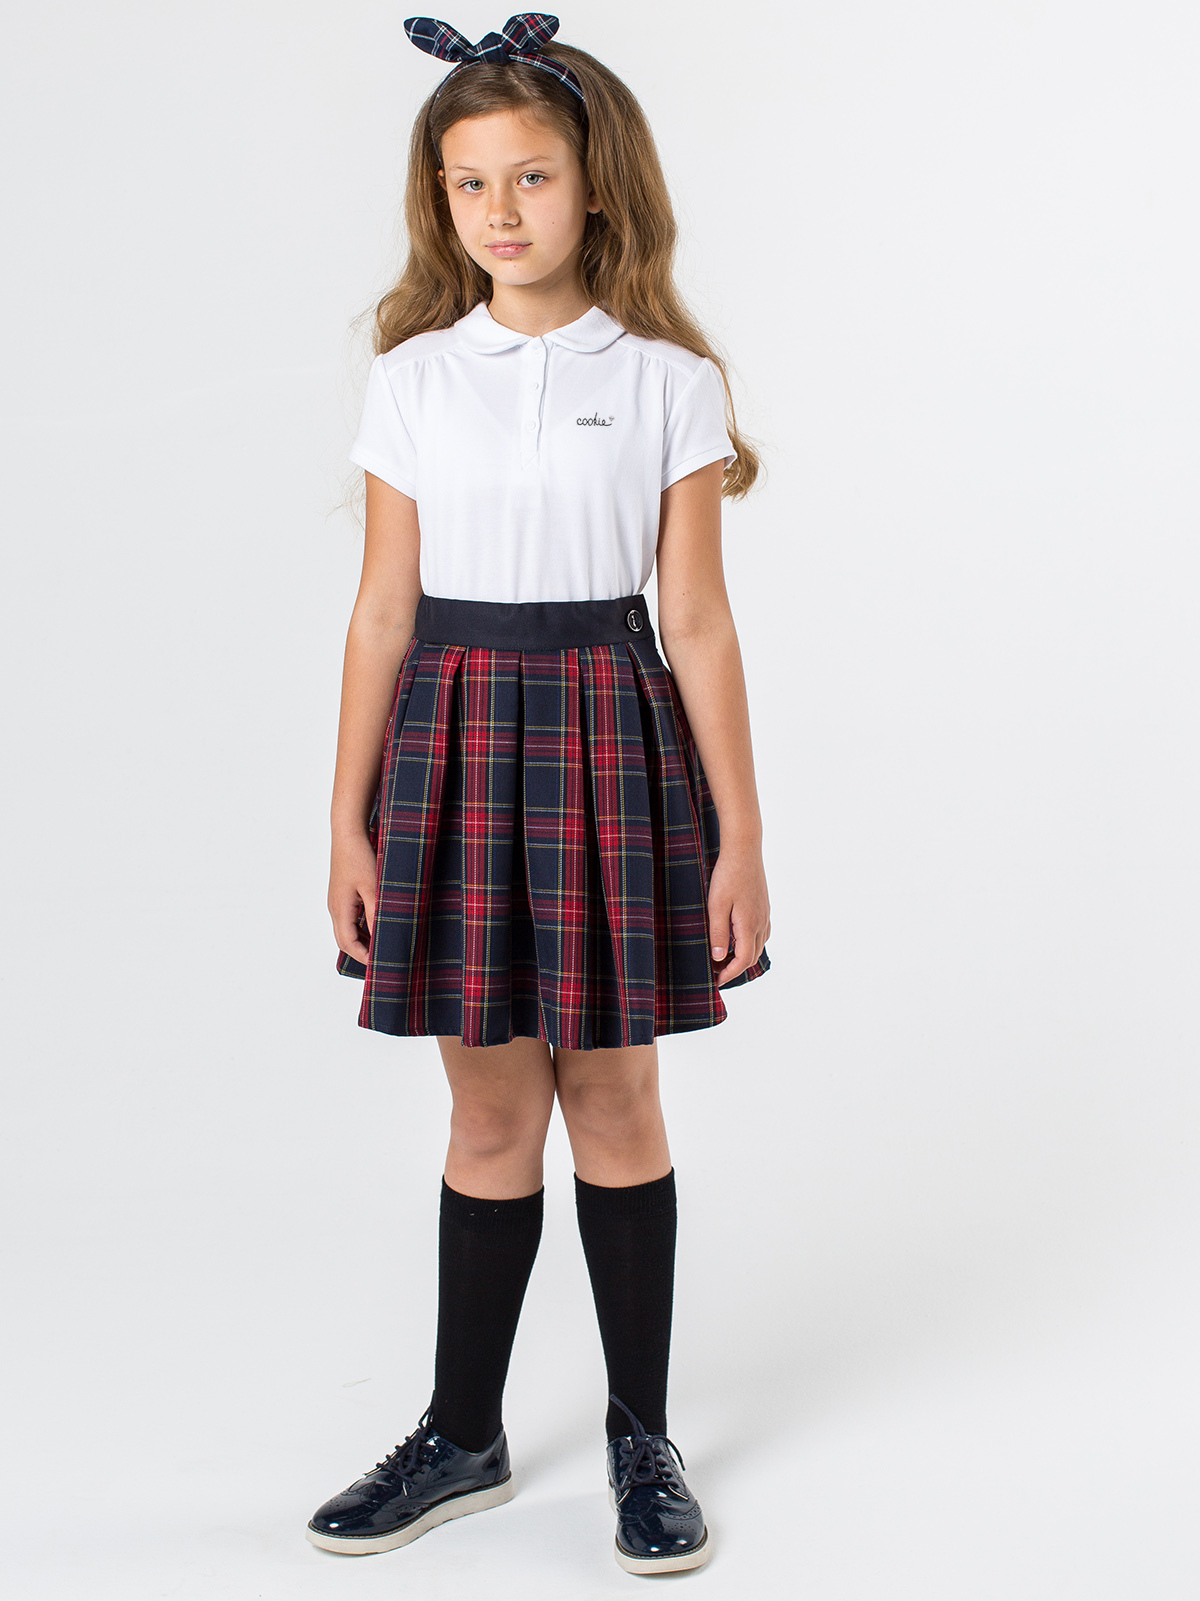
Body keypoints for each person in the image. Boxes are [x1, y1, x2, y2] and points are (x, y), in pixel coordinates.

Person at [307, 12, 772, 1577]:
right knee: (490, 1105)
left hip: (610, 736)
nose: (499, 211)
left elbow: (696, 619)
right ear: (438, 200)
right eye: (468, 184)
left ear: (596, 186)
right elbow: (382, 608)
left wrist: (741, 839)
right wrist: (346, 816)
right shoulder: (414, 379)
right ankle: (465, 1434)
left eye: (531, 177)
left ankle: (644, 1436)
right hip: (450, 741)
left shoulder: (669, 382)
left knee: (616, 1098)